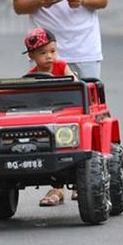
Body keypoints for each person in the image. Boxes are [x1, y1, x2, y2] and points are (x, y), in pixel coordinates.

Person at [22, 28, 76, 207]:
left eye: (52, 51)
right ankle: (56, 187)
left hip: (66, 113)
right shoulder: (31, 75)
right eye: (42, 53)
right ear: (31, 55)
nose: (49, 57)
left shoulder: (61, 67)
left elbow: (75, 85)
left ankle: (77, 184)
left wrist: (71, 80)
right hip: (43, 116)